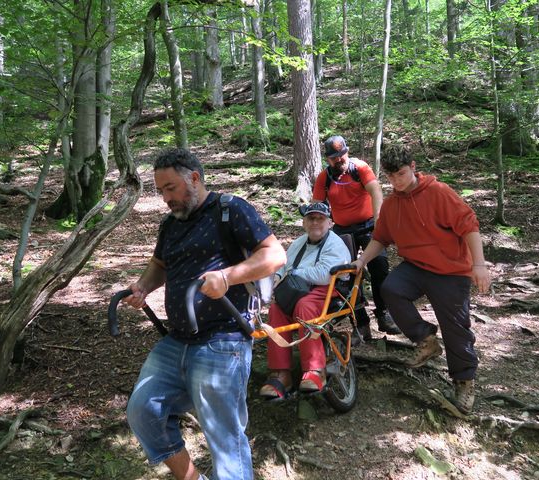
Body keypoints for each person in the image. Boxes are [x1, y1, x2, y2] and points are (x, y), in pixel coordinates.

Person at [122, 148, 286, 480]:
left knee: (225, 439)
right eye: (160, 191)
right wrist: (142, 287)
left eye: (170, 188)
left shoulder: (230, 210)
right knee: (143, 411)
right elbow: (159, 265)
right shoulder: (171, 224)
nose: (165, 198)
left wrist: (228, 276)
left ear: (194, 178)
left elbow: (275, 254)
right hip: (176, 341)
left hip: (223, 340)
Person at [353, 145, 490, 414]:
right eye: (391, 177)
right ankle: (426, 340)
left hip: (451, 272)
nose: (397, 181)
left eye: (401, 174)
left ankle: (463, 381)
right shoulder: (392, 204)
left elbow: (469, 225)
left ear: (413, 167)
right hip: (416, 267)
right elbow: (381, 238)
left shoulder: (438, 193)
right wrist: (361, 260)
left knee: (456, 328)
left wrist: (479, 264)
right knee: (390, 288)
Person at [312, 135, 401, 341]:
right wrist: (318, 230)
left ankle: (384, 314)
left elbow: (375, 191)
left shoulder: (359, 168)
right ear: (328, 159)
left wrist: (379, 221)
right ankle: (360, 323)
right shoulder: (324, 177)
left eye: (342, 155)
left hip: (368, 226)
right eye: (334, 157)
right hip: (342, 230)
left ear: (347, 152)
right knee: (346, 275)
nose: (339, 160)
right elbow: (317, 206)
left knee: (380, 265)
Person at [259, 202, 351, 399]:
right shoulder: (298, 243)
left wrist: (293, 274)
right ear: (304, 222)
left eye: (320, 218)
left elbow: (324, 274)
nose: (315, 222)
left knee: (304, 306)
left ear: (330, 222)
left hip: (327, 290)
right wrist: (276, 279)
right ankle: (281, 373)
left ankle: (315, 370)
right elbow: (284, 266)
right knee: (276, 309)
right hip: (297, 289)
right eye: (311, 218)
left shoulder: (335, 244)